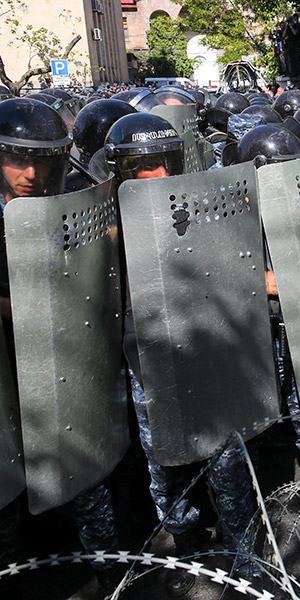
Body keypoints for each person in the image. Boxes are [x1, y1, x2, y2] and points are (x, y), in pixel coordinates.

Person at [105, 112, 260, 598]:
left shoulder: (200, 206)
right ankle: (188, 544)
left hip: (207, 352)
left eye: (164, 162)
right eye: (143, 166)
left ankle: (244, 558)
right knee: (166, 466)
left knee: (227, 462)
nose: (158, 176)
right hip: (148, 364)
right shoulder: (104, 227)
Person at [0, 96, 124, 599]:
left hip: (64, 365)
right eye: (17, 158)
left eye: (44, 161)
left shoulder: (71, 205)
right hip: (7, 377)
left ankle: (113, 575)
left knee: (83, 473)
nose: (30, 173)